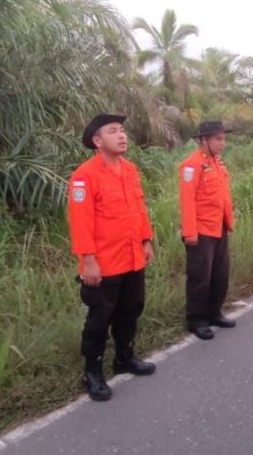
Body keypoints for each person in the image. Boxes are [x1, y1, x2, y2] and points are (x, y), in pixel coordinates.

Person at [68, 113, 156, 402]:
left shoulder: (130, 170)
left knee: (131, 308)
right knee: (99, 318)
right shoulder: (84, 176)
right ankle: (92, 372)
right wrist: (88, 261)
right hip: (103, 263)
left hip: (131, 256)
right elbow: (81, 223)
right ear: (97, 141)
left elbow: (139, 208)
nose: (122, 135)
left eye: (122, 130)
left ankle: (124, 357)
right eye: (113, 131)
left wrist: (146, 240)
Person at [178, 120, 236, 340]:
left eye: (224, 138)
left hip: (219, 227)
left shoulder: (217, 163)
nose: (223, 143)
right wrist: (190, 233)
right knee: (200, 276)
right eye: (218, 139)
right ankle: (196, 319)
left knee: (220, 274)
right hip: (201, 231)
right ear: (203, 140)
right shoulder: (191, 166)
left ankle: (214, 313)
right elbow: (187, 201)